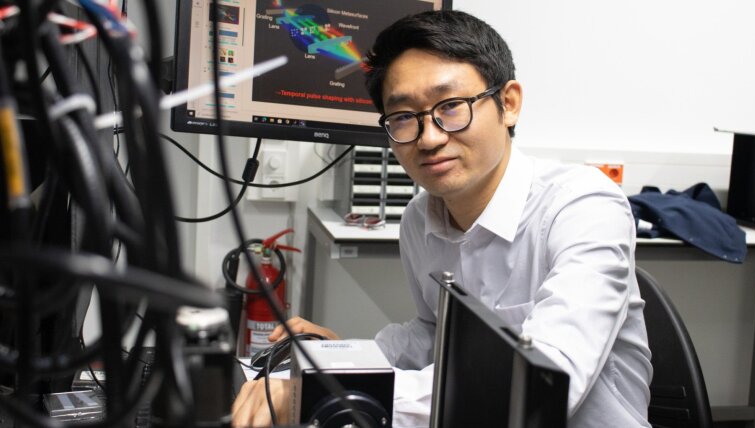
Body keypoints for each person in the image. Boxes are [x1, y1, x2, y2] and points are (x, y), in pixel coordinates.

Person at [232, 9, 653, 428]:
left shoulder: (584, 205)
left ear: (508, 104)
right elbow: (434, 334)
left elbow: (542, 385)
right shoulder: (421, 217)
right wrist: (341, 361)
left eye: (451, 106)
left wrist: (332, 392)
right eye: (403, 117)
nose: (429, 137)